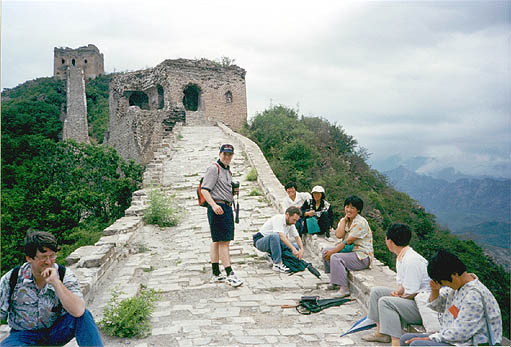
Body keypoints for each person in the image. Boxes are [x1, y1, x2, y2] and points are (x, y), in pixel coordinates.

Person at [0, 231, 103, 347]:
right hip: (23, 335)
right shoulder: (12, 278)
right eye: (43, 257)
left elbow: (79, 311)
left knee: (84, 316)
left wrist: (56, 283)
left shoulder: (64, 275)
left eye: (52, 256)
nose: (49, 262)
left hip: (55, 331)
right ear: (29, 258)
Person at [401, 250, 502, 346]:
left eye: (444, 283)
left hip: (471, 343)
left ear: (454, 276)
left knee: (417, 344)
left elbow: (461, 333)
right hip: (456, 340)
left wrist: (430, 338)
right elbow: (438, 307)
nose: (446, 286)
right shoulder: (457, 288)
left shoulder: (473, 296)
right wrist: (435, 290)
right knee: (405, 339)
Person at [361, 223, 431, 346]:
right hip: (413, 300)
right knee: (377, 292)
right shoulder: (402, 256)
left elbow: (412, 292)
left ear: (390, 241)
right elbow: (405, 285)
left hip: (422, 306)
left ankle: (396, 342)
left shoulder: (412, 261)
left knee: (385, 301)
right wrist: (399, 291)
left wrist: (397, 297)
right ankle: (381, 333)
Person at [200, 143, 243, 287]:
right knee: (224, 242)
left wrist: (233, 193)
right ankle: (229, 273)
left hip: (226, 206)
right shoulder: (214, 168)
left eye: (229, 154)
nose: (227, 157)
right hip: (218, 208)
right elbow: (205, 190)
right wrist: (213, 205)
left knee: (217, 240)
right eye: (224, 154)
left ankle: (216, 273)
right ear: (220, 154)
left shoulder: (228, 171)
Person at [322, 195, 373, 298]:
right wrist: (343, 221)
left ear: (358, 210)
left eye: (352, 208)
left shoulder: (360, 222)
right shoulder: (347, 220)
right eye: (347, 207)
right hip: (351, 251)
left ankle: (343, 289)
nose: (349, 210)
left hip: (362, 256)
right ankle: (334, 281)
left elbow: (347, 241)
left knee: (335, 257)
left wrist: (333, 252)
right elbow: (339, 235)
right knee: (325, 251)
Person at [252, 206, 305, 273]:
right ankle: (277, 264)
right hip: (260, 241)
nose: (294, 222)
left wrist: (302, 249)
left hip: (276, 243)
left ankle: (271, 254)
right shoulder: (278, 218)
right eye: (294, 220)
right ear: (287, 215)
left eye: (296, 221)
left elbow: (297, 237)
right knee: (275, 236)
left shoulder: (291, 223)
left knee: (296, 247)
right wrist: (292, 249)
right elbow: (281, 236)